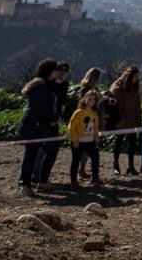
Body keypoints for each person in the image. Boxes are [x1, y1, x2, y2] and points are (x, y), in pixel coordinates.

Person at [17, 58, 61, 196]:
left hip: (47, 126)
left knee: (52, 150)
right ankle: (24, 183)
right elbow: (39, 108)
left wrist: (56, 118)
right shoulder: (38, 87)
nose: (58, 72)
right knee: (31, 153)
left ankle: (42, 182)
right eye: (55, 69)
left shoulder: (52, 86)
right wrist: (54, 118)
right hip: (33, 126)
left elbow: (55, 104)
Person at [36, 60, 71, 185]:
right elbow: (41, 106)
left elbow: (62, 103)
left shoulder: (63, 84)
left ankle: (42, 177)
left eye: (64, 70)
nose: (62, 73)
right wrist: (51, 118)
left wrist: (58, 117)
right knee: (40, 148)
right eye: (59, 70)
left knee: (51, 149)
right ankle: (37, 175)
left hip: (55, 119)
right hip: (45, 121)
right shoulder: (44, 84)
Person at [69, 89, 107, 188]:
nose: (91, 101)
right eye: (89, 99)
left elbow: (95, 124)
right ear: (84, 99)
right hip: (79, 141)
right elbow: (72, 126)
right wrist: (75, 139)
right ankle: (73, 181)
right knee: (76, 161)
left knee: (95, 158)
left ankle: (95, 177)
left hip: (90, 140)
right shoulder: (78, 112)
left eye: (93, 100)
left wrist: (96, 135)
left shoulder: (94, 112)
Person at [109, 66, 142, 175]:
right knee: (119, 142)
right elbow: (113, 105)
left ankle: (131, 166)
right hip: (121, 120)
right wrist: (118, 119)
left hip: (132, 121)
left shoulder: (135, 89)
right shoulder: (118, 88)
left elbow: (137, 106)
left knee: (132, 143)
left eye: (137, 76)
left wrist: (139, 121)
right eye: (135, 76)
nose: (136, 79)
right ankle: (116, 165)